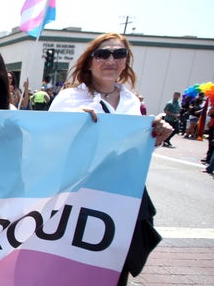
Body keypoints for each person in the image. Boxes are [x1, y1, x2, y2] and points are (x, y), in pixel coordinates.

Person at [48, 32, 173, 286]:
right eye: (103, 54)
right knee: (69, 264)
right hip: (77, 197)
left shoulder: (131, 102)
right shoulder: (69, 99)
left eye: (119, 54)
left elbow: (135, 153)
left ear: (126, 61)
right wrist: (72, 124)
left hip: (119, 198)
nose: (110, 60)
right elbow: (49, 145)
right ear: (90, 61)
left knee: (113, 266)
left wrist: (155, 137)